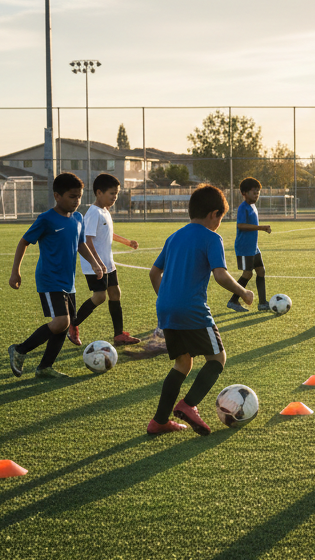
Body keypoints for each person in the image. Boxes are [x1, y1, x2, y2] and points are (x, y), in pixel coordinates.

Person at [147, 184, 254, 436]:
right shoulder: (211, 237)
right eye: (221, 218)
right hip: (192, 309)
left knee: (182, 363)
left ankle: (159, 421)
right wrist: (243, 292)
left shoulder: (173, 237)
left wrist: (167, 298)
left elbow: (154, 273)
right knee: (218, 359)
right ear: (213, 214)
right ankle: (189, 404)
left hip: (166, 308)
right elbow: (220, 275)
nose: (219, 223)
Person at [8, 172, 104, 379]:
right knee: (61, 321)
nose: (76, 201)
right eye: (72, 196)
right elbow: (24, 241)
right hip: (49, 279)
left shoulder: (78, 218)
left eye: (79, 196)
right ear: (57, 196)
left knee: (65, 324)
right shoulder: (46, 219)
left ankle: (45, 367)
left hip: (68, 281)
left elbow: (80, 244)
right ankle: (20, 350)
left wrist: (95, 264)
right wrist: (16, 271)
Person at [68, 173, 142, 347]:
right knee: (100, 296)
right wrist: (97, 262)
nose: (115, 197)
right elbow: (87, 238)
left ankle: (118, 335)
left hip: (107, 263)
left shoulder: (105, 211)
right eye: (112, 194)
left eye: (116, 194)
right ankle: (73, 324)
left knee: (115, 293)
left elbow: (108, 233)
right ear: (99, 193)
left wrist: (127, 242)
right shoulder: (93, 212)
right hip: (94, 264)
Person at [227, 177, 272, 312]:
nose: (256, 194)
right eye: (254, 192)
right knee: (247, 274)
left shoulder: (253, 206)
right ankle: (233, 300)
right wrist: (261, 227)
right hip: (244, 247)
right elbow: (241, 225)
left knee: (261, 271)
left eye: (258, 192)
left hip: (253, 247)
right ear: (244, 193)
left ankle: (263, 303)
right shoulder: (243, 208)